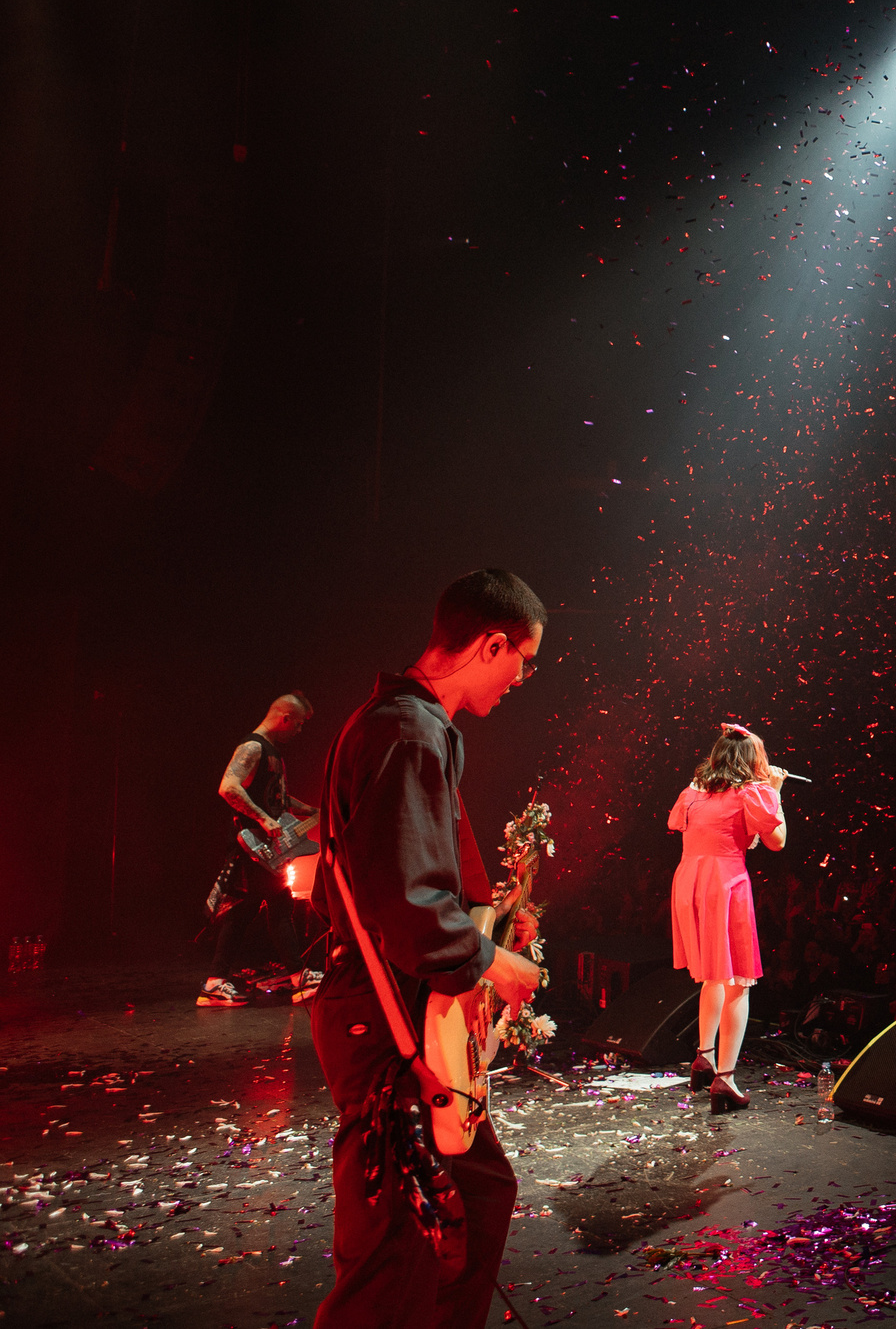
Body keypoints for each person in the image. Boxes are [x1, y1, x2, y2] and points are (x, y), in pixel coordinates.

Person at [312, 569, 546, 1329]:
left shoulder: (408, 724)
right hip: (386, 1027)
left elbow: (403, 880)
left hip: (390, 1010)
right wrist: (492, 962)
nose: (523, 678)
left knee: (473, 1198)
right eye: (523, 659)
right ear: (492, 642)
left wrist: (499, 922)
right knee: (395, 1253)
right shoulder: (408, 730)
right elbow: (411, 906)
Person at [667, 721, 787, 1112]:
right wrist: (776, 792)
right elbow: (777, 841)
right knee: (738, 981)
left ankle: (704, 1056)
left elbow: (680, 826)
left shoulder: (693, 792)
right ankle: (726, 1080)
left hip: (690, 883)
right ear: (752, 761)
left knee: (715, 975)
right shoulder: (753, 793)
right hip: (725, 884)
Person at [201, 692, 319, 1007]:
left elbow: (275, 800)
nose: (299, 731)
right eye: (299, 724)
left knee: (251, 912)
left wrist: (306, 809)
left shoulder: (274, 755)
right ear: (285, 718)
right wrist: (264, 819)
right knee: (274, 908)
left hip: (266, 847)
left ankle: (215, 983)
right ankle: (298, 978)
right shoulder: (253, 747)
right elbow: (229, 786)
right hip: (251, 846)